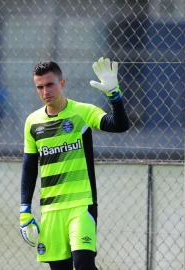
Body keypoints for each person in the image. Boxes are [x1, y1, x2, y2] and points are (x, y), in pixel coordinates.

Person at [20, 57, 129, 270]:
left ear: (62, 83)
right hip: (51, 210)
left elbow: (119, 125)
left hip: (81, 204)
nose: (45, 92)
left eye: (49, 85)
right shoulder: (32, 122)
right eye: (39, 87)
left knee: (83, 264)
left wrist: (114, 96)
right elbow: (29, 167)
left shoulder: (82, 112)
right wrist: (25, 209)